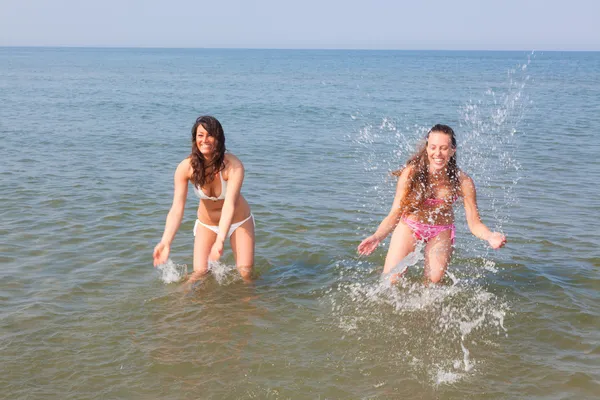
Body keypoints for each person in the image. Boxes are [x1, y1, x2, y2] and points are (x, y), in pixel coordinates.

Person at [357, 124, 506, 284]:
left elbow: (475, 223)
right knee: (389, 281)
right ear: (427, 148)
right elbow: (395, 213)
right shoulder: (411, 173)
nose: (438, 153)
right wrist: (377, 237)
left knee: (432, 285)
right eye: (433, 147)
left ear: (452, 150)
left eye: (443, 148)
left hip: (440, 231)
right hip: (410, 226)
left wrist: (490, 236)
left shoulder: (463, 182)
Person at [153, 116, 255, 283]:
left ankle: (248, 305)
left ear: (219, 138)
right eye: (200, 135)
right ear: (195, 139)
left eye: (210, 135)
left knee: (245, 274)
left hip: (239, 221)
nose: (204, 140)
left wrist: (220, 241)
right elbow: (177, 208)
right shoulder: (186, 167)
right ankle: (183, 304)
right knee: (199, 274)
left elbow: (229, 205)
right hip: (207, 223)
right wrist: (166, 241)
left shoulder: (233, 165)